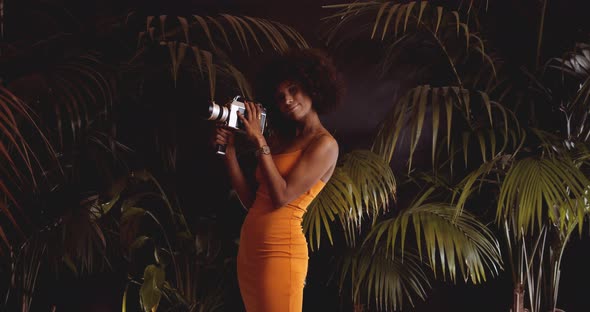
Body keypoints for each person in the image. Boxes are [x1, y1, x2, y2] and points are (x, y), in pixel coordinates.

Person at [212, 47, 345, 312]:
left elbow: (281, 197)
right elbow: (253, 201)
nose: (287, 100)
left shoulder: (326, 144)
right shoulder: (281, 141)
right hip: (251, 250)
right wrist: (230, 155)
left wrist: (259, 141)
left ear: (313, 87)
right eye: (280, 96)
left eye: (293, 89)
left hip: (280, 253)